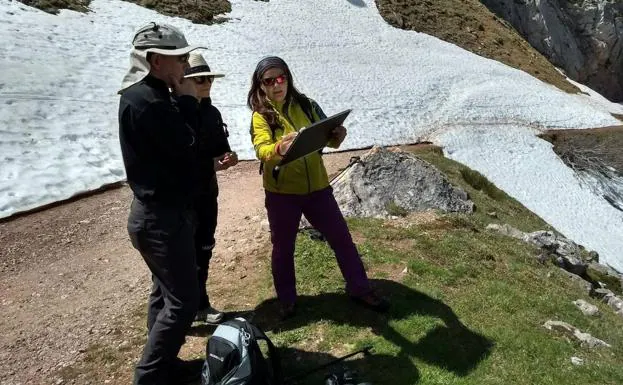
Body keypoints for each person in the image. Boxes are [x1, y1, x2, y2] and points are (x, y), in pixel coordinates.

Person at [247, 56, 390, 318]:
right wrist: (280, 147)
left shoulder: (307, 105)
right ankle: (287, 299)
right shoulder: (260, 117)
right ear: (261, 85)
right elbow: (262, 150)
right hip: (282, 194)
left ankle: (359, 288)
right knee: (283, 247)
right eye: (270, 81)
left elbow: (327, 137)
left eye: (282, 78)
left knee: (342, 239)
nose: (277, 85)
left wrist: (337, 136)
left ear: (288, 79)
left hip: (318, 189)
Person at [118, 22, 205, 385]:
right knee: (184, 300)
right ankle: (151, 376)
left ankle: (163, 366)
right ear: (155, 60)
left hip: (156, 214)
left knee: (165, 292)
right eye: (179, 58)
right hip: (161, 217)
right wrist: (188, 99)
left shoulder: (143, 94)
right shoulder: (152, 101)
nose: (186, 64)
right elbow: (190, 147)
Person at [183, 53, 238, 324]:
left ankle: (200, 305)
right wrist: (211, 164)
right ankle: (180, 312)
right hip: (182, 198)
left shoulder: (212, 112)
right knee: (181, 256)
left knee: (204, 249)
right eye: (200, 79)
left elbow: (221, 150)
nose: (207, 83)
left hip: (207, 194)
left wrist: (230, 158)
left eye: (209, 78)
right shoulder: (174, 112)